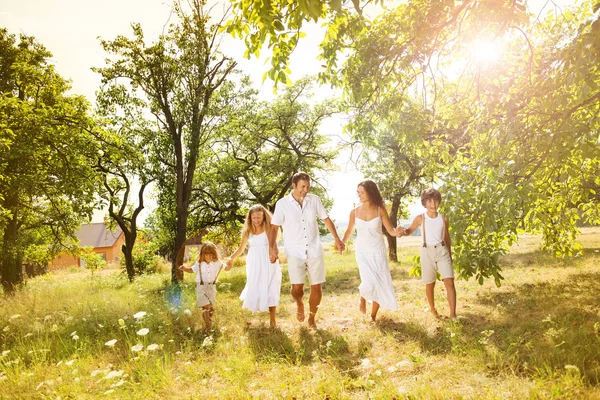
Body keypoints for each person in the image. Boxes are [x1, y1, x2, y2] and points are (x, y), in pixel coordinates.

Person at [269, 172, 345, 329]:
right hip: (294, 251)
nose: (305, 190)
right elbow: (274, 227)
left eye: (308, 186)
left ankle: (312, 318)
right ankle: (299, 304)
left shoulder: (314, 200)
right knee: (297, 287)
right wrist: (272, 248)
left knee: (316, 285)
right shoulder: (282, 204)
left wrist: (337, 239)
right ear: (294, 185)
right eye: (302, 186)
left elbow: (326, 219)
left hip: (314, 249)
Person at [341, 180, 399, 322]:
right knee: (368, 280)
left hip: (377, 250)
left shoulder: (380, 209)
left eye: (362, 192)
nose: (359, 195)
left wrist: (398, 232)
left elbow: (391, 231)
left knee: (379, 281)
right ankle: (363, 297)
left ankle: (373, 317)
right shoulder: (354, 212)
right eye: (358, 192)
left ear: (370, 192)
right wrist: (341, 242)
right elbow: (349, 230)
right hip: (362, 250)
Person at [397, 188, 457, 320]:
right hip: (427, 251)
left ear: (438, 202)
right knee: (430, 283)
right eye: (429, 201)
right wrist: (402, 232)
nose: (433, 204)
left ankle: (453, 314)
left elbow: (447, 238)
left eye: (435, 201)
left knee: (449, 281)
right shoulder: (420, 218)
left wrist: (450, 256)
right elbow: (409, 231)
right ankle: (433, 310)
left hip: (442, 251)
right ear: (425, 203)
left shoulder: (444, 218)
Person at [226, 205, 282, 328]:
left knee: (271, 285)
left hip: (268, 260)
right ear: (250, 218)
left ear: (264, 217)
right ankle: (258, 306)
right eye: (253, 218)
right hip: (254, 262)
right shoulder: (248, 231)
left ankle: (272, 319)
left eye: (259, 217)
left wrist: (274, 254)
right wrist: (231, 258)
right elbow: (241, 249)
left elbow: (273, 244)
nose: (256, 220)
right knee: (256, 284)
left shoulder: (268, 228)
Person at [179, 242, 223, 330]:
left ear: (214, 254)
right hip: (201, 287)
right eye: (206, 255)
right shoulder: (199, 263)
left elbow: (225, 267)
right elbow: (192, 270)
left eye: (211, 255)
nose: (208, 257)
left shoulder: (217, 262)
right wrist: (185, 268)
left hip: (212, 286)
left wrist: (229, 264)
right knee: (205, 306)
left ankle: (208, 319)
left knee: (211, 307)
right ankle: (208, 327)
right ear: (202, 255)